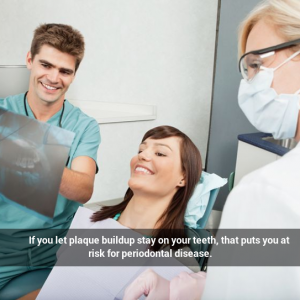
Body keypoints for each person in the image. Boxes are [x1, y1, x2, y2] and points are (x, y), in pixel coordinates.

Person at [124, 0, 300, 299]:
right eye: (143, 148)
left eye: (257, 64)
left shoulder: (268, 194)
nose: (250, 82)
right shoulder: (98, 220)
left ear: (184, 178)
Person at [34, 125, 210, 300]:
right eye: (141, 150)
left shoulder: (180, 264)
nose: (142, 155)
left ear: (183, 178)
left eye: (160, 153)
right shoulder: (88, 220)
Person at [0, 23, 101, 293]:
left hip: (52, 251)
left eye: (65, 71)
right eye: (46, 65)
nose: (54, 78)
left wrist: (33, 153)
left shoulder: (84, 126)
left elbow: (82, 189)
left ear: (73, 75)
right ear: (29, 60)